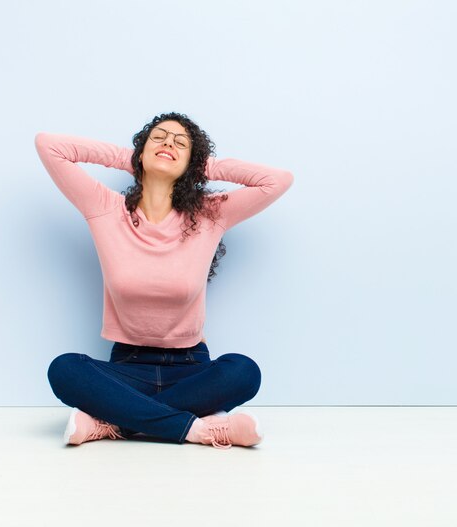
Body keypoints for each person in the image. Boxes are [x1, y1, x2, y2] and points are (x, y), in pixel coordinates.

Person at [35, 112, 294, 449]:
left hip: (191, 368)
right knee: (65, 369)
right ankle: (198, 428)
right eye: (158, 138)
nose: (168, 143)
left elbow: (279, 179)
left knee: (243, 371)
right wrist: (134, 158)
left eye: (180, 143)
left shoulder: (210, 214)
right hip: (127, 368)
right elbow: (49, 146)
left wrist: (201, 165)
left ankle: (113, 420)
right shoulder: (105, 209)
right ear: (140, 152)